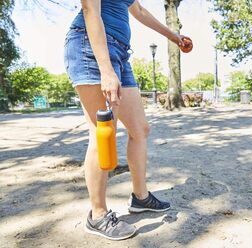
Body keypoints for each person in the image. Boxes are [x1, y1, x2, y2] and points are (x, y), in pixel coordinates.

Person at [64, 0, 191, 240]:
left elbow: (139, 11)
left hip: (120, 52)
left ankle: (140, 198)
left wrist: (174, 36)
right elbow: (91, 9)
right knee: (103, 131)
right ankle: (98, 215)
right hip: (90, 48)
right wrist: (106, 70)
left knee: (140, 129)